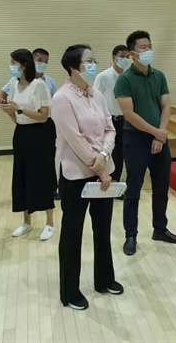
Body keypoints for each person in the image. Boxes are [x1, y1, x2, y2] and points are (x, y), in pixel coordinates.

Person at [52, 44, 123, 311]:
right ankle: (70, 291)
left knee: (103, 229)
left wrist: (104, 154)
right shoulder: (62, 98)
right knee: (72, 233)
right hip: (76, 175)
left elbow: (110, 128)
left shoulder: (97, 95)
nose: (93, 65)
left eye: (94, 60)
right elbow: (75, 139)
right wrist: (100, 168)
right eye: (88, 61)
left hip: (103, 169)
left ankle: (104, 279)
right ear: (74, 66)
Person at [115, 30, 176, 256]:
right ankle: (131, 235)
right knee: (133, 189)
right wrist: (156, 132)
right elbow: (129, 114)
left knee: (161, 187)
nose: (148, 50)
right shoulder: (124, 80)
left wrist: (159, 135)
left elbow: (166, 106)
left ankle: (160, 229)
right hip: (135, 139)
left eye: (149, 46)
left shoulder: (159, 76)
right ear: (132, 53)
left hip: (158, 137)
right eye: (142, 47)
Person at [0, 49, 56, 241]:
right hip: (22, 133)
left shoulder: (39, 85)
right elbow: (16, 116)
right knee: (22, 176)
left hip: (41, 133)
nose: (11, 66)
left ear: (23, 65)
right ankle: (26, 221)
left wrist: (20, 109)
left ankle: (50, 223)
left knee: (43, 175)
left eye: (13, 63)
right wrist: (9, 110)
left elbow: (43, 116)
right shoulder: (14, 85)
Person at [93, 45, 130, 197]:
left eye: (127, 57)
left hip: (124, 120)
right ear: (114, 57)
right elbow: (94, 99)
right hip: (107, 121)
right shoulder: (104, 76)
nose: (125, 60)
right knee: (107, 153)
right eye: (122, 57)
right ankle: (103, 183)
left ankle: (116, 185)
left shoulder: (128, 77)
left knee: (120, 154)